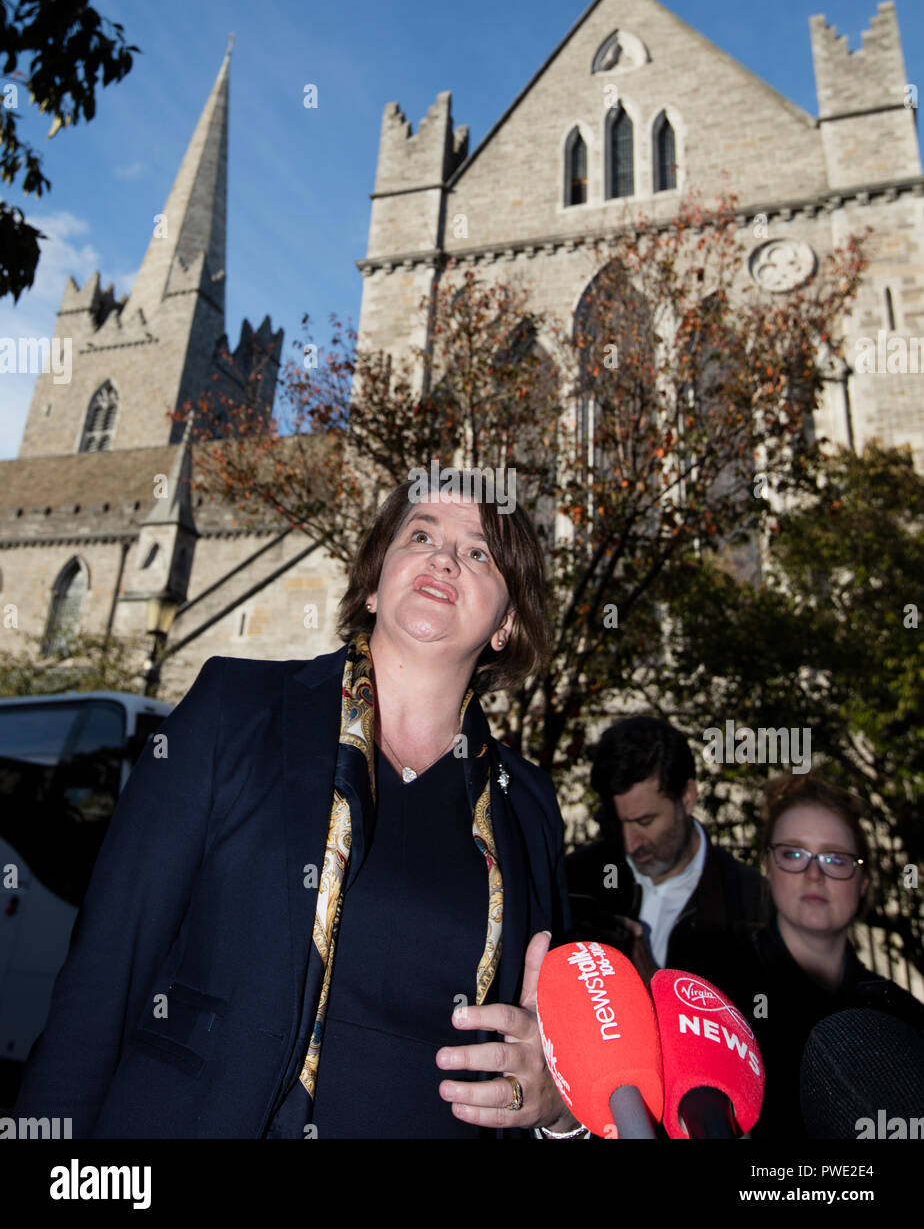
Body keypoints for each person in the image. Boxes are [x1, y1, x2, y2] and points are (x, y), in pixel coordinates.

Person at [14, 475, 581, 1139]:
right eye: (421, 534)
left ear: (507, 624)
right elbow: (106, 974)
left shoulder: (528, 806)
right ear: (374, 584)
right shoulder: (236, 708)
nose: (444, 557)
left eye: (479, 552)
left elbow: (549, 1051)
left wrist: (559, 1108)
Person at [710, 774, 924, 1139]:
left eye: (835, 859)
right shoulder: (712, 980)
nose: (814, 874)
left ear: (864, 882)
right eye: (793, 854)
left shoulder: (901, 1016)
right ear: (767, 867)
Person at [566, 716, 765, 984]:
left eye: (644, 822)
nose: (630, 843)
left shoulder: (752, 906)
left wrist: (654, 986)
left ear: (688, 797)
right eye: (618, 822)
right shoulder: (573, 880)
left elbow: (754, 1022)